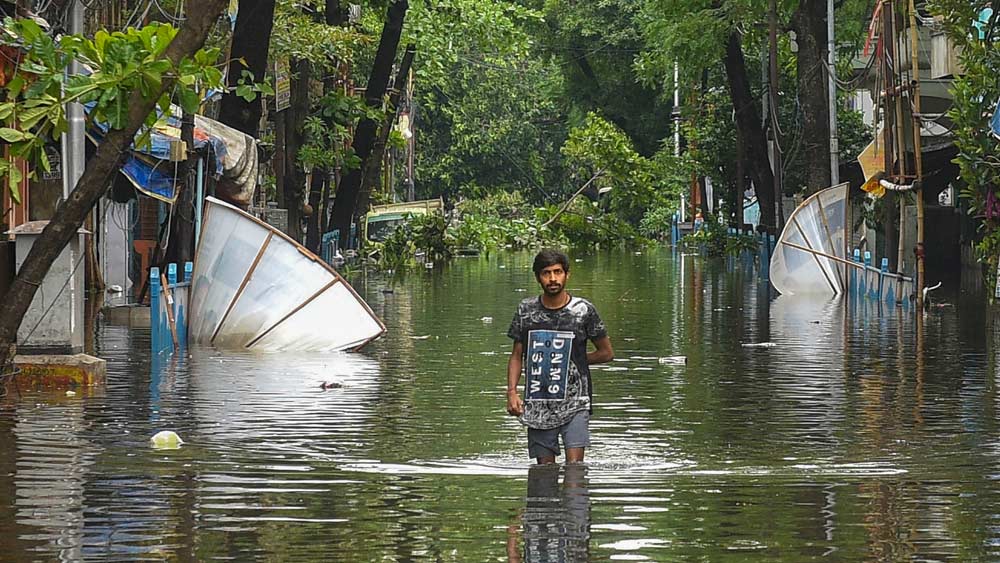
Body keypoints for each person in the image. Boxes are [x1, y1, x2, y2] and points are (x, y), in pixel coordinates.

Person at [506, 249, 614, 465]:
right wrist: (511, 392)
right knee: (544, 472)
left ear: (567, 274)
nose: (553, 279)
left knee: (575, 471)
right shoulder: (526, 311)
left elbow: (606, 353)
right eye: (546, 273)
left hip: (575, 400)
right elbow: (517, 355)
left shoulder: (583, 310)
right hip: (538, 401)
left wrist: (569, 360)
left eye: (558, 272)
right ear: (538, 277)